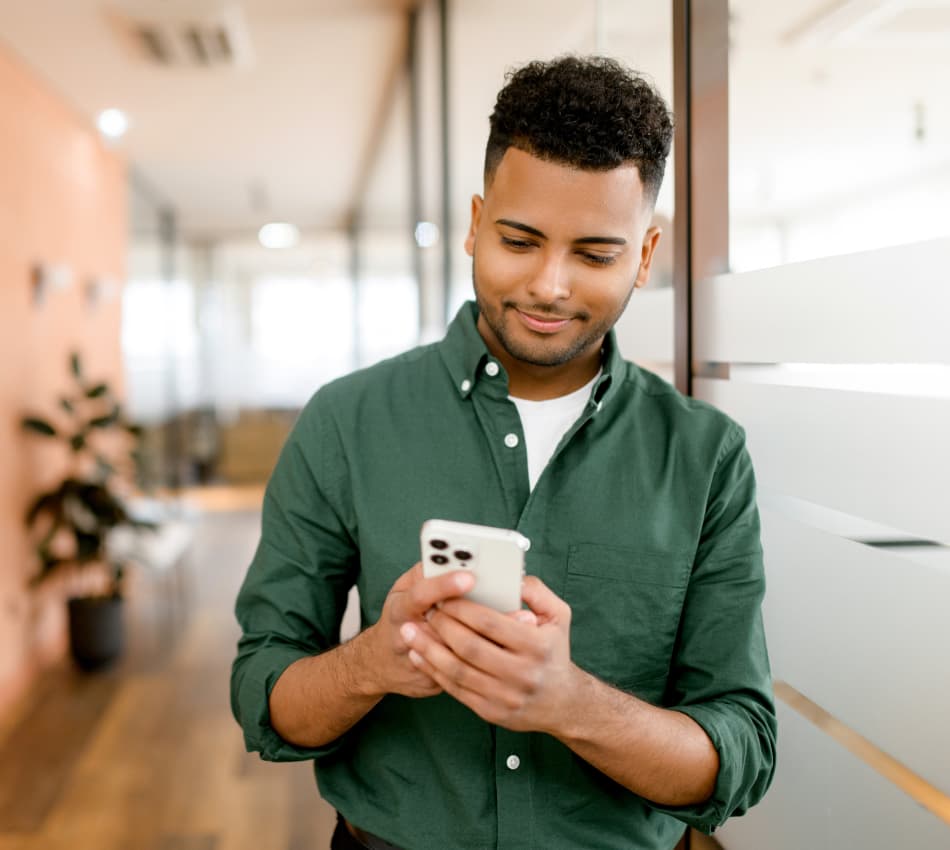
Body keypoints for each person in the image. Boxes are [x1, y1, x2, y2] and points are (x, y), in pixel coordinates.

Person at [231, 55, 776, 850]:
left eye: (595, 254)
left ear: (645, 255)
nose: (550, 285)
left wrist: (571, 704)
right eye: (520, 240)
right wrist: (376, 661)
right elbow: (264, 695)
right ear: (476, 223)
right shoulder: (347, 422)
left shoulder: (706, 457)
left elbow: (740, 754)